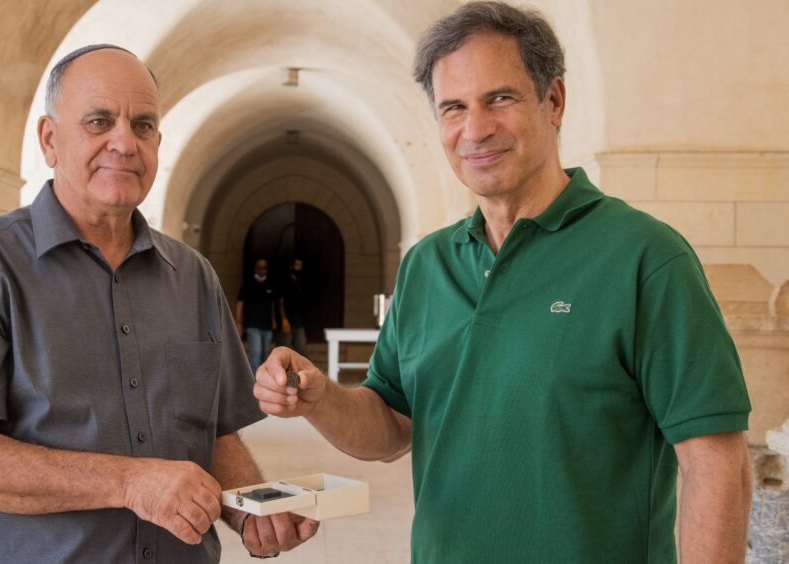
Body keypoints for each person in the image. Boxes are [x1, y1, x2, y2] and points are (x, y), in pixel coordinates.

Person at [254, 3, 753, 563]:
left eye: (500, 98)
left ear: (554, 100)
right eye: (453, 107)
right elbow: (393, 425)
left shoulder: (645, 257)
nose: (475, 129)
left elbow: (716, 461)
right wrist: (321, 399)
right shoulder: (426, 266)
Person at [0, 44, 317, 563]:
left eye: (142, 126)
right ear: (50, 140)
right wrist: (130, 482)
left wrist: (251, 506)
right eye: (99, 121)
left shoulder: (192, 277)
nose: (124, 142)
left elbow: (212, 434)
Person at [236, 259, 278, 373]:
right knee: (256, 354)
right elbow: (240, 303)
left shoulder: (270, 283)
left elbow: (273, 304)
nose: (261, 270)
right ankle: (253, 383)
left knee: (265, 355)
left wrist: (274, 321)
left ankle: (263, 381)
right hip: (252, 325)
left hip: (267, 325)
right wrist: (239, 322)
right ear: (255, 269)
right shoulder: (248, 283)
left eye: (264, 267)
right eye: (259, 267)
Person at [276, 258, 308, 355]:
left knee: (301, 347)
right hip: (287, 320)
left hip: (299, 321)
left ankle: (298, 369)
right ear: (291, 266)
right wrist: (283, 318)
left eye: (300, 265)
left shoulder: (302, 282)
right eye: (297, 265)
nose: (299, 268)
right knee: (286, 348)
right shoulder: (284, 281)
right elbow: (280, 302)